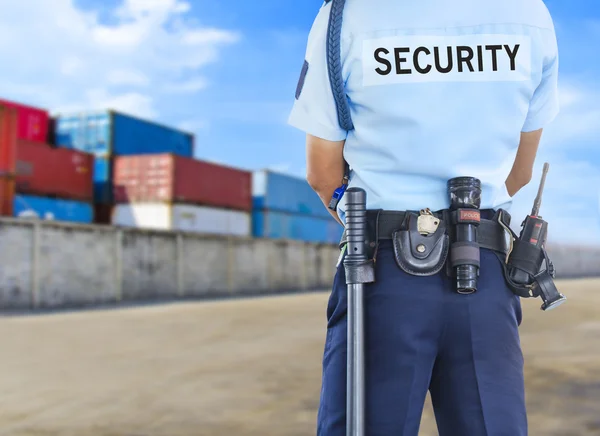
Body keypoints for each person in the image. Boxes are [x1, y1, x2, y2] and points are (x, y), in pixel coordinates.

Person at [288, 0, 560, 435]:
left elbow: (323, 175)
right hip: (487, 271)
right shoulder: (529, 12)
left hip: (379, 272)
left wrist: (372, 224)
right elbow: (519, 173)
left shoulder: (346, 15)